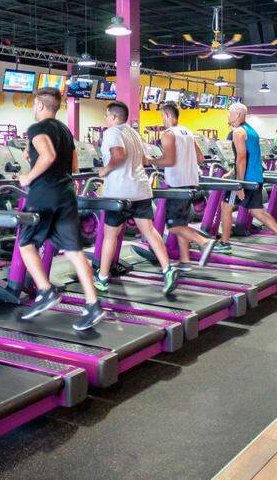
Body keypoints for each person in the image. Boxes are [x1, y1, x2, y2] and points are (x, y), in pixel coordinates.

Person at [16, 87, 104, 330]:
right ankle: (93, 304)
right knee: (74, 251)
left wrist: (27, 177)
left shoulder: (36, 128)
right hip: (66, 194)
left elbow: (49, 155)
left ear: (40, 105)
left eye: (35, 105)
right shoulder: (65, 130)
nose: (34, 109)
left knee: (25, 243)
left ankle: (45, 290)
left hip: (44, 194)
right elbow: (73, 166)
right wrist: (31, 157)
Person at [96, 100, 178, 293]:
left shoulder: (112, 132)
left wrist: (103, 171)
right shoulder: (133, 133)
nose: (106, 119)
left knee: (110, 235)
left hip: (119, 194)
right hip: (140, 190)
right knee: (149, 231)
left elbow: (118, 155)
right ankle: (167, 269)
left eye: (107, 115)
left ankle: (102, 278)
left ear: (114, 117)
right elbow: (143, 158)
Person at [217, 102, 277, 259]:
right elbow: (251, 155)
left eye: (229, 113)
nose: (227, 115)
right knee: (256, 211)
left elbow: (242, 157)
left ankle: (225, 244)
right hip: (254, 177)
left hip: (245, 180)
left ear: (238, 115)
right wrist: (232, 171)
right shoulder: (251, 131)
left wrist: (239, 184)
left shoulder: (238, 132)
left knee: (226, 207)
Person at [146, 101, 218, 271]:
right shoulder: (188, 132)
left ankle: (204, 242)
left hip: (177, 185)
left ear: (168, 115)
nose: (162, 120)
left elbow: (168, 161)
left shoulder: (168, 134)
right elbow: (201, 158)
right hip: (191, 183)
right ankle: (185, 261)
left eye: (162, 116)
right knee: (182, 224)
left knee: (174, 226)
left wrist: (150, 160)